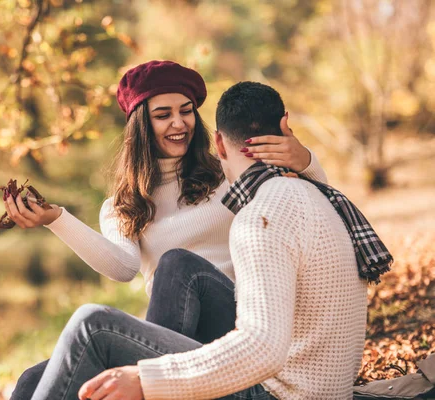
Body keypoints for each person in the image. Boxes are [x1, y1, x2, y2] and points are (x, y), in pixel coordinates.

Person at [27, 81, 392, 400]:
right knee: (34, 377)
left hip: (248, 342)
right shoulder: (124, 204)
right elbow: (123, 267)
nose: (178, 122)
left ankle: (154, 383)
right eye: (163, 114)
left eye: (186, 111)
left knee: (146, 287)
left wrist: (304, 159)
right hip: (220, 340)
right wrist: (57, 219)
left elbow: (300, 202)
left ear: (218, 141)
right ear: (140, 124)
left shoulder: (236, 186)